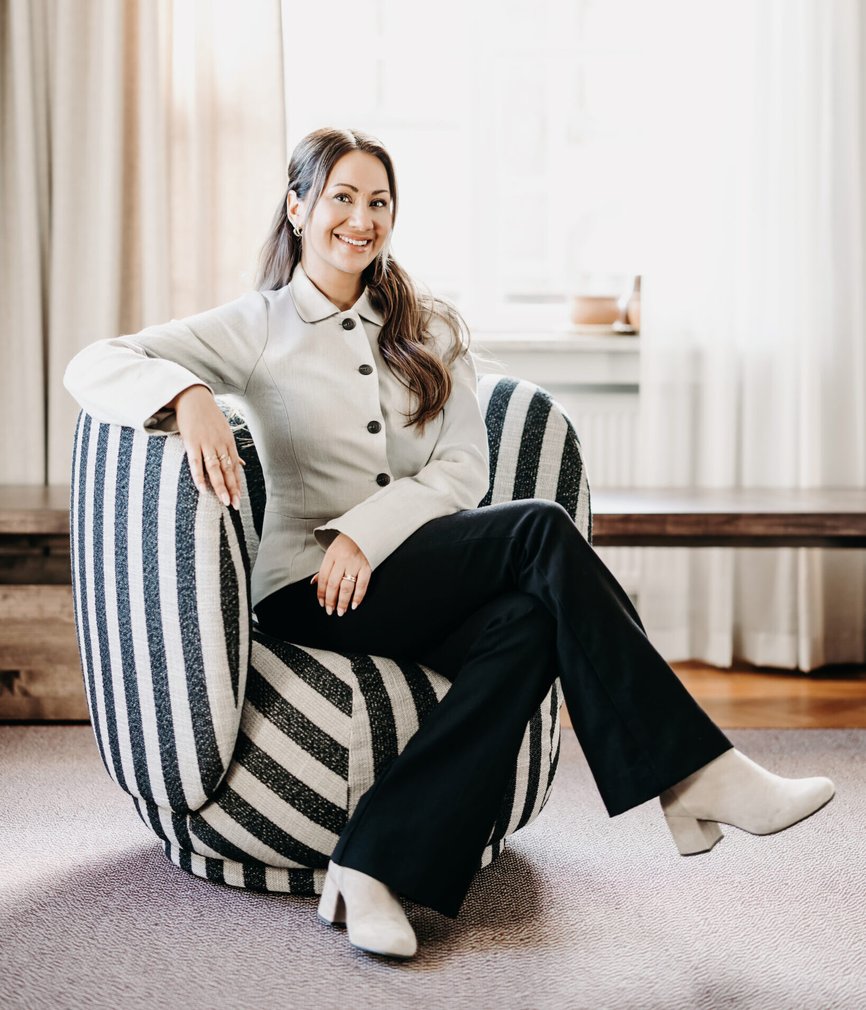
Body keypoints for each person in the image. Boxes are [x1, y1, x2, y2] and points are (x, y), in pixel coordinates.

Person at [63, 126, 835, 962]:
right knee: (539, 527)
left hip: (403, 574)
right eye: (342, 198)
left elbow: (464, 468)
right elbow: (96, 363)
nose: (362, 219)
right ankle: (694, 774)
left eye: (379, 201)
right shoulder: (258, 325)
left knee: (531, 625)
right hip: (306, 590)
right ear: (297, 208)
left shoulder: (427, 327)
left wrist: (367, 535)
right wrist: (187, 394)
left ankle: (370, 864)